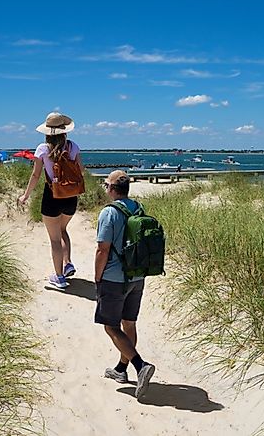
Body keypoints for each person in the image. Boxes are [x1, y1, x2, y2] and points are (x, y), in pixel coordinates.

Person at [94, 170, 156, 400]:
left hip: (114, 278)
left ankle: (140, 366)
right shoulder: (138, 208)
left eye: (106, 184)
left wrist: (97, 277)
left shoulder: (109, 213)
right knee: (129, 323)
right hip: (137, 276)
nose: (105, 188)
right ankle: (121, 370)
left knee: (111, 327)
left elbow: (103, 249)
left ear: (112, 188)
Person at [18, 112, 84, 290]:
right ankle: (68, 262)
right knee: (63, 230)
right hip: (70, 196)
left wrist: (25, 196)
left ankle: (59, 277)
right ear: (64, 131)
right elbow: (81, 171)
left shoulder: (42, 149)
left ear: (47, 131)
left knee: (54, 239)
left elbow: (36, 175)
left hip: (52, 196)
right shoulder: (73, 146)